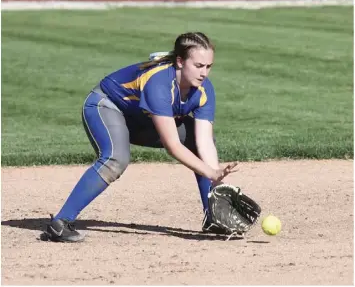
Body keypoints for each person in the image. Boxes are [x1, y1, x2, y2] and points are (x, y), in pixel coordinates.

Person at [45, 32, 238, 243]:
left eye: (209, 66)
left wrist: (216, 178)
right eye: (199, 65)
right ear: (180, 61)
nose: (204, 73)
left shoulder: (203, 90)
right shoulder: (159, 82)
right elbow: (172, 145)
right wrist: (209, 171)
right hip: (106, 106)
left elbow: (204, 141)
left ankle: (214, 218)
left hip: (140, 119)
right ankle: (61, 222)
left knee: (193, 140)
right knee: (115, 159)